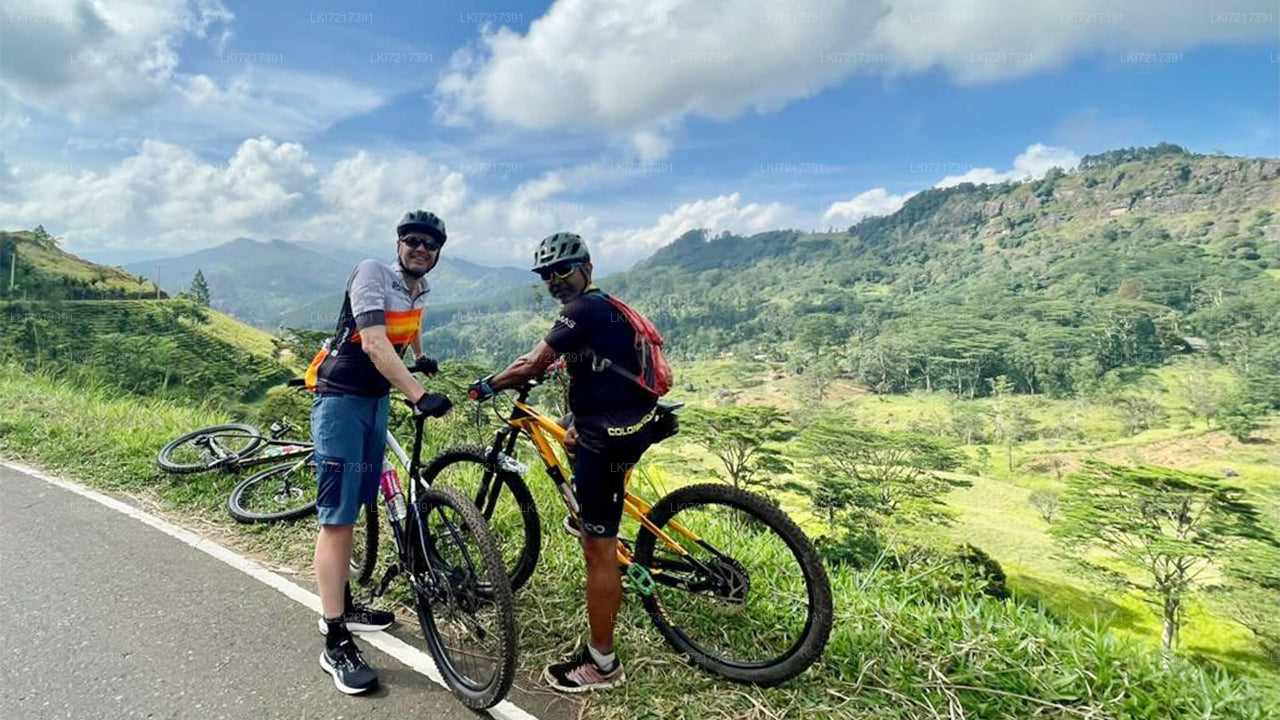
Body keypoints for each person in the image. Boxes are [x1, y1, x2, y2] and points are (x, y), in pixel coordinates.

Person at [468, 232, 657, 692]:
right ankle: (596, 514)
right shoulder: (603, 306)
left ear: (586, 269)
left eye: (563, 270)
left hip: (608, 439)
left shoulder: (581, 309)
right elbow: (587, 356)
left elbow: (531, 364)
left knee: (598, 548)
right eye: (547, 274)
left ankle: (602, 665)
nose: (555, 280)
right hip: (632, 418)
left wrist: (487, 385)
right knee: (567, 430)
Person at [310, 210, 453, 694]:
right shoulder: (372, 273)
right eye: (413, 241)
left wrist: (419, 357)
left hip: (376, 402)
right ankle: (334, 638)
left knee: (359, 501)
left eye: (430, 244)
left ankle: (345, 605)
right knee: (338, 518)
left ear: (437, 252)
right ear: (398, 245)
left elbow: (409, 324)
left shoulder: (419, 288)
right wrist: (418, 394)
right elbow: (373, 342)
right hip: (341, 401)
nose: (421, 249)